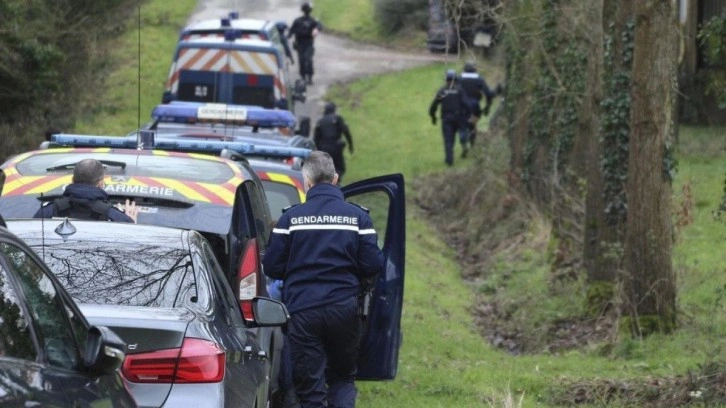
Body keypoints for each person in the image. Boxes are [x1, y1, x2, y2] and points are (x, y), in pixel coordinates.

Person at [262, 151, 384, 408]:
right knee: (342, 377)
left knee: (311, 388)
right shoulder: (358, 218)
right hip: (345, 311)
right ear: (336, 179)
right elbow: (374, 264)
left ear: (307, 181)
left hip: (303, 312)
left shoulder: (290, 219)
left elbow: (272, 267)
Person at [34, 158, 138, 222]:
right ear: (101, 183)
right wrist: (130, 225)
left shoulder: (46, 213)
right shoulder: (115, 218)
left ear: (72, 180)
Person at [429, 69, 471, 166]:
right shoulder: (460, 90)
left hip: (447, 118)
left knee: (448, 140)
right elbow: (467, 104)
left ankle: (449, 160)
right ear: (456, 79)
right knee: (462, 132)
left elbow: (433, 105)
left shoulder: (442, 90)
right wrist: (468, 115)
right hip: (459, 117)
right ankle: (464, 142)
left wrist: (433, 117)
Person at [313, 102, 353, 184]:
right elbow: (346, 131)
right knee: (340, 167)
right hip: (336, 147)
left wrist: (319, 149)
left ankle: (327, 181)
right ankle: (336, 181)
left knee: (326, 167)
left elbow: (316, 138)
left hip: (324, 148)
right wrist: (350, 144)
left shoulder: (320, 122)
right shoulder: (337, 119)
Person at [458, 61, 495, 146]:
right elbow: (488, 93)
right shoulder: (479, 79)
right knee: (474, 122)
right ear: (475, 69)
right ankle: (472, 138)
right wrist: (488, 105)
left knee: (463, 123)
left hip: (462, 106)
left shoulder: (459, 79)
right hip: (474, 105)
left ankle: (464, 139)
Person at [288, 2, 321, 85]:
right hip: (300, 44)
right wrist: (288, 35)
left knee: (308, 60)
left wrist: (316, 29)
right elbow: (291, 30)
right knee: (302, 60)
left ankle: (309, 77)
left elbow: (319, 26)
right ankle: (303, 77)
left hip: (308, 43)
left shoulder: (312, 20)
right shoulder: (298, 21)